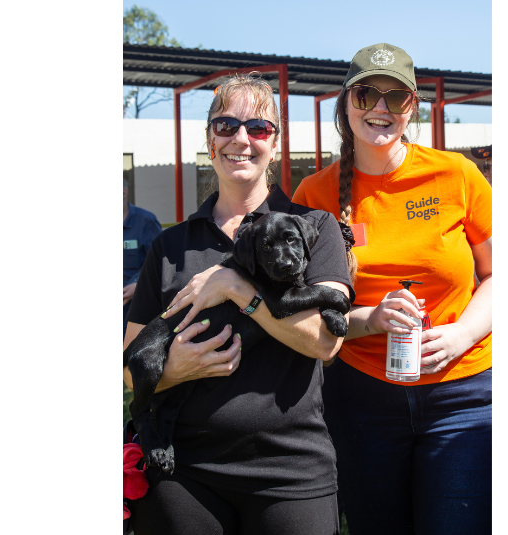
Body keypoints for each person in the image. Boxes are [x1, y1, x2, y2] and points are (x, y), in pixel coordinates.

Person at [122, 73, 354, 535]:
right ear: (210, 140)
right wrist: (175, 369)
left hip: (290, 469)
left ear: (275, 142)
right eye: (226, 125)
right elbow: (129, 366)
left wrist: (236, 288)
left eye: (258, 128)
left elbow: (325, 343)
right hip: (183, 471)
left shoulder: (313, 227)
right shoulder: (170, 246)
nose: (241, 139)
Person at [291, 43, 493, 535]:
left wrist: (463, 333)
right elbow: (300, 309)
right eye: (366, 94)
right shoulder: (313, 195)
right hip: (361, 397)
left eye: (394, 97)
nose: (379, 108)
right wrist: (371, 319)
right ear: (345, 103)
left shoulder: (458, 175)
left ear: (412, 107)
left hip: (462, 395)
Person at [123, 178, 162, 340]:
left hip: (135, 311)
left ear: (124, 192)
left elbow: (160, 262)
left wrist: (138, 284)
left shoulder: (146, 222)